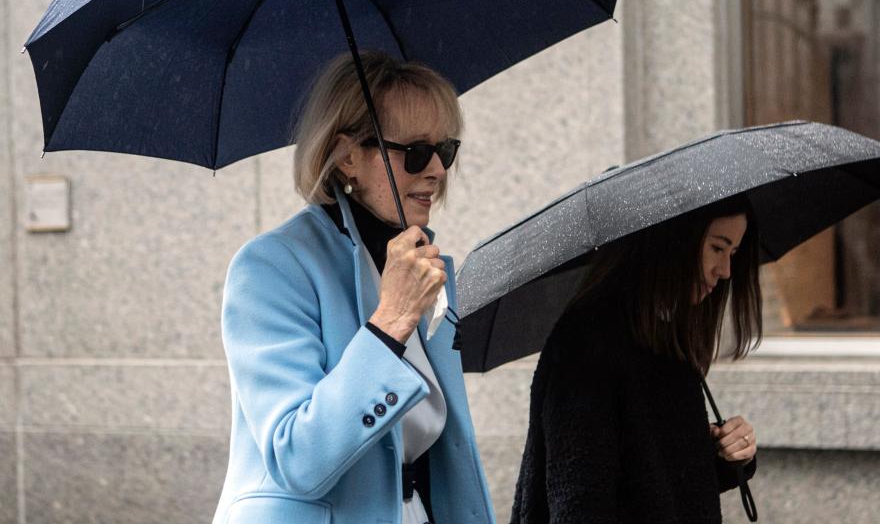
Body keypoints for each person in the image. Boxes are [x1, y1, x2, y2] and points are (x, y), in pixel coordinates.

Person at [212, 51, 495, 524]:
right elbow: (296, 458)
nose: (437, 171)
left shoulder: (420, 267)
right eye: (417, 152)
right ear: (347, 158)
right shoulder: (273, 266)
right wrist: (391, 322)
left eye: (445, 151)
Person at [510, 195, 763, 524]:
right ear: (677, 238)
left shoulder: (663, 333)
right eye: (717, 248)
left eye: (733, 253)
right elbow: (579, 500)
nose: (726, 271)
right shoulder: (590, 341)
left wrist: (727, 454)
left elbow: (656, 483)